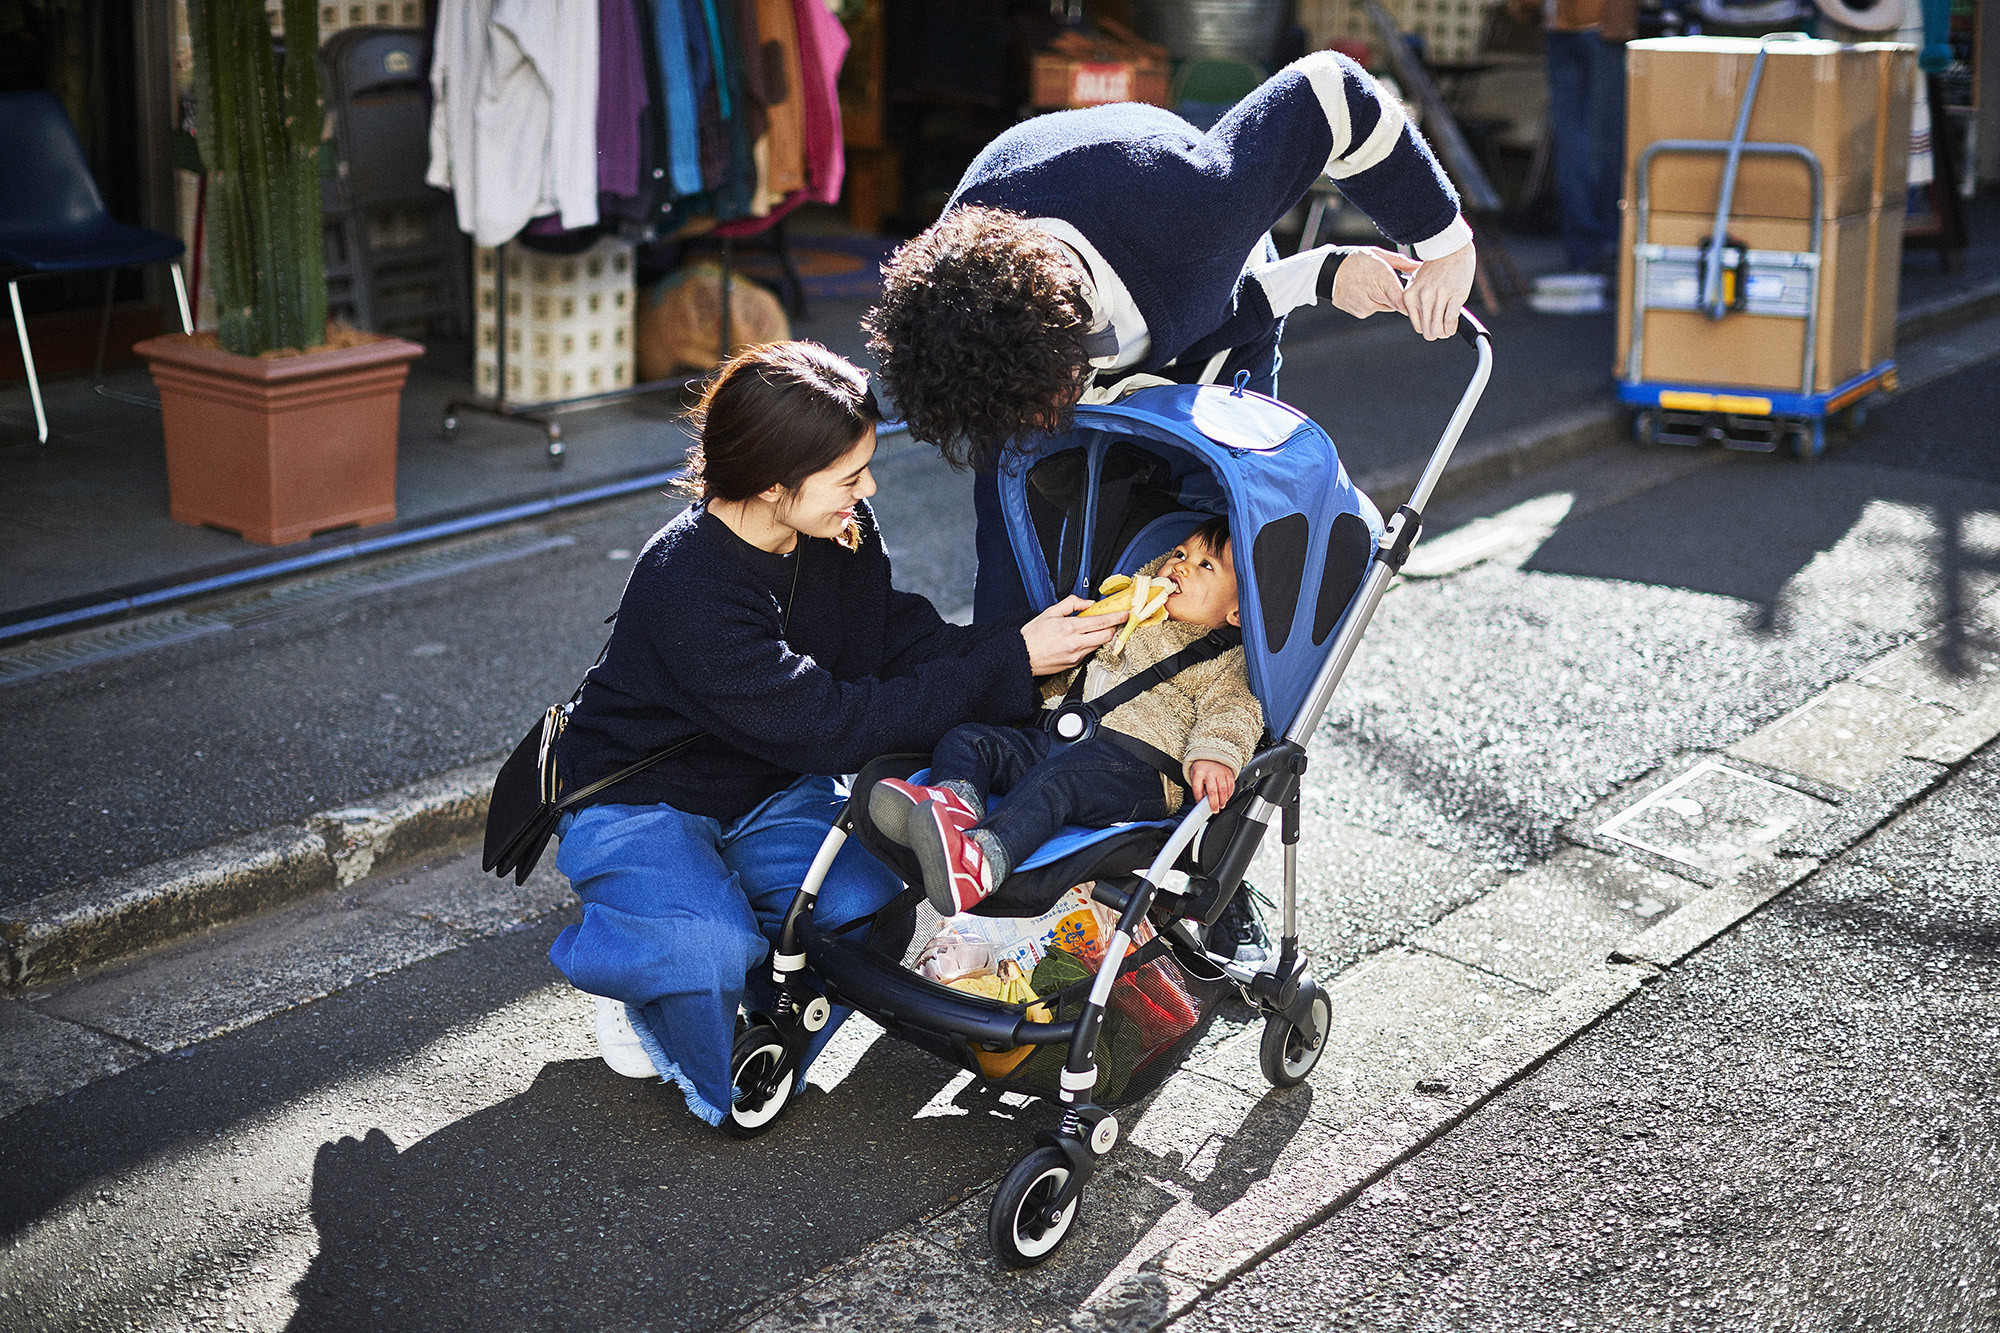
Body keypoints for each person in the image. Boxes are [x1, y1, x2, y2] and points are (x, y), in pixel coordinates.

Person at [545, 341, 1124, 1129]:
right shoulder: (685, 584)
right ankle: (650, 979)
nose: (869, 488)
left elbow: (894, 638)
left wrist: (1036, 645)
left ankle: (731, 984)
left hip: (764, 785)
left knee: (868, 898)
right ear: (772, 483)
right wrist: (1012, 659)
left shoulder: (838, 529)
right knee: (703, 949)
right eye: (849, 476)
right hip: (639, 799)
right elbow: (832, 724)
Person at [862, 48, 1479, 623]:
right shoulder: (958, 297)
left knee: (1222, 519)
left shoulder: (1196, 206)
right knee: (1018, 527)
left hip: (1191, 272)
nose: (1042, 420)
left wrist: (1441, 242)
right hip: (1054, 314)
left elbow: (1330, 89)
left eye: (1048, 401)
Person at [869, 517, 1262, 922]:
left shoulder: (1221, 660)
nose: (1181, 565)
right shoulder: (1116, 617)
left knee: (1059, 780)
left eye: (1205, 565)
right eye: (1179, 553)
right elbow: (1059, 676)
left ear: (1236, 612)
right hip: (1054, 741)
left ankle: (979, 864)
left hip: (1136, 771)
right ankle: (952, 809)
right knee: (969, 739)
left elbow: (1236, 710)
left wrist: (1215, 755)